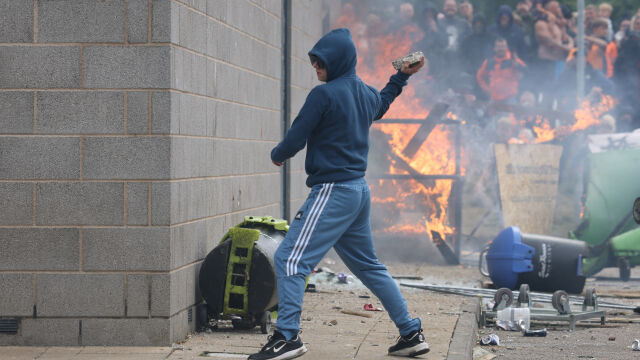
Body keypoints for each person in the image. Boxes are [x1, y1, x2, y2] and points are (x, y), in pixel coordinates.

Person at [248, 28, 427, 360]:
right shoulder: (364, 93)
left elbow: (296, 136)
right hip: (358, 192)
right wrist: (400, 77)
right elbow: (384, 101)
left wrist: (278, 155)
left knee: (290, 259)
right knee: (370, 267)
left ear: (337, 61)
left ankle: (287, 337)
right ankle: (411, 332)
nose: (316, 68)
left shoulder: (323, 95)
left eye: (321, 62)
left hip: (333, 191)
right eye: (314, 62)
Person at [476, 37, 527, 103]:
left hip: (510, 99)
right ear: (494, 48)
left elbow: (526, 72)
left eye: (503, 46)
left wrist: (517, 65)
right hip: (494, 99)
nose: (501, 49)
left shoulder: (512, 60)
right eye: (499, 46)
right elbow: (479, 76)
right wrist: (486, 89)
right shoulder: (489, 62)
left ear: (507, 48)